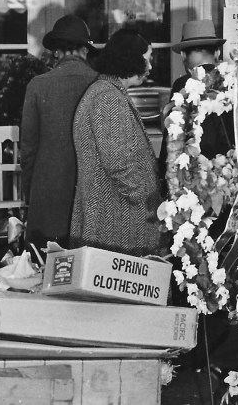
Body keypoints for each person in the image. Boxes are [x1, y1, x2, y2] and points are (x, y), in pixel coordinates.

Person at [70, 29, 165, 256]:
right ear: (131, 58)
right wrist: (146, 201)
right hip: (116, 221)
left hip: (111, 219)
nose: (150, 67)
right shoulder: (109, 97)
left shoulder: (104, 91)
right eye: (147, 58)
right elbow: (118, 163)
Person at [20, 15, 97, 249]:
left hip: (48, 192)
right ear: (85, 50)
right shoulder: (101, 83)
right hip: (90, 197)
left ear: (56, 51)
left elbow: (28, 149)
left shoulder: (37, 85)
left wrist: (28, 195)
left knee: (45, 264)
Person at [159, 20, 233, 176]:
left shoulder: (183, 85)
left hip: (193, 176)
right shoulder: (234, 82)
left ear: (183, 55)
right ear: (217, 52)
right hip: (231, 173)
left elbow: (173, 136)